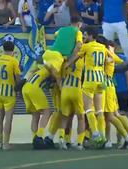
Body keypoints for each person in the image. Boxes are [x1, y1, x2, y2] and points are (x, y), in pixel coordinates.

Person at [22, 16, 83, 149]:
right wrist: (69, 61)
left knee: (39, 114)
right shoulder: (77, 32)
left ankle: (40, 138)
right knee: (58, 111)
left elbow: (55, 37)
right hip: (59, 71)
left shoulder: (61, 30)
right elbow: (78, 47)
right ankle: (46, 137)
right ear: (79, 24)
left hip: (41, 67)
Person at [99, 39, 128, 149]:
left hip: (107, 88)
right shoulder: (108, 55)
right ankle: (126, 137)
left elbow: (122, 66)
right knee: (113, 115)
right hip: (111, 87)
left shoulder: (105, 56)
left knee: (111, 116)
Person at [0, 41, 21, 150]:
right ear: (13, 50)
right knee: (8, 118)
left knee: (0, 117)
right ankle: (6, 143)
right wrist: (19, 91)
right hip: (9, 93)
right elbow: (18, 77)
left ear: (3, 49)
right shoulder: (14, 61)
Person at [58, 57, 85, 150]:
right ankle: (79, 142)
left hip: (65, 89)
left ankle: (62, 139)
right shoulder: (83, 59)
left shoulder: (65, 60)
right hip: (76, 89)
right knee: (81, 117)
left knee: (65, 117)